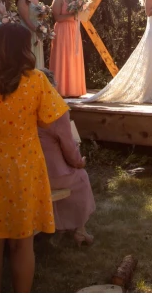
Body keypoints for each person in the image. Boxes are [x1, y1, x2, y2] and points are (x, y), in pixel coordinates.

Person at [0, 23, 69, 291]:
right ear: (23, 49)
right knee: (22, 241)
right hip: (23, 165)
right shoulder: (36, 80)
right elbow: (52, 119)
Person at [37, 100, 97, 245]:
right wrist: (79, 162)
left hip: (26, 174)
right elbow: (70, 150)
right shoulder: (56, 112)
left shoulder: (21, 108)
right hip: (49, 176)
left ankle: (59, 228)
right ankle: (80, 230)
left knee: (65, 179)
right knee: (81, 177)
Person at [50, 0, 88, 98]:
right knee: (63, 57)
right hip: (62, 30)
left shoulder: (76, 0)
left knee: (73, 57)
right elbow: (57, 18)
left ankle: (74, 88)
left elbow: (82, 16)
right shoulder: (58, 0)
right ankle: (61, 88)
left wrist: (81, 11)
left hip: (74, 30)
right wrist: (72, 16)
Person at [15, 0, 47, 72]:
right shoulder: (22, 0)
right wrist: (35, 30)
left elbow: (39, 16)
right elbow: (26, 19)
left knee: (38, 54)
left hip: (37, 31)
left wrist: (43, 21)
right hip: (27, 31)